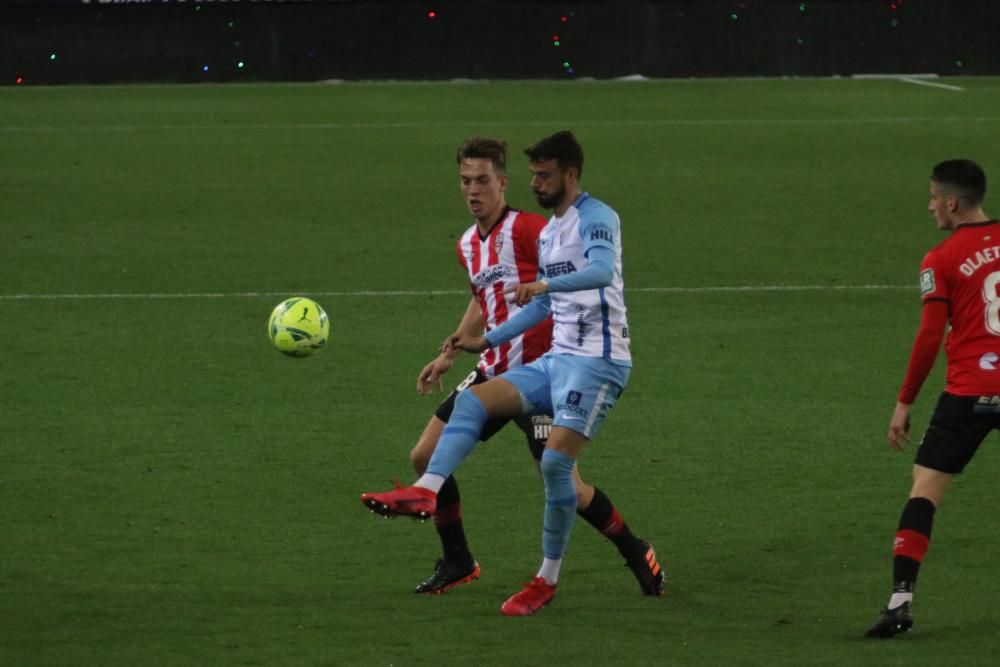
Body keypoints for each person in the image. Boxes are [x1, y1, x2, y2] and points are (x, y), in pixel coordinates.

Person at [362, 131, 662, 615]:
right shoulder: (483, 242)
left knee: (563, 478)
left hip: (582, 364)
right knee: (439, 439)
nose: (473, 190)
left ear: (503, 184)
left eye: (482, 180)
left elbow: (595, 274)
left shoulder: (543, 226)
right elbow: (500, 301)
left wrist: (542, 283)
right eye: (465, 181)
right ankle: (441, 523)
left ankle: (626, 552)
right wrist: (471, 345)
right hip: (522, 366)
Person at [865, 159, 997, 638]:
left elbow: (927, 335)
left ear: (952, 203)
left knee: (924, 492)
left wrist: (904, 401)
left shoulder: (939, 259)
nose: (929, 206)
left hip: (967, 392)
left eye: (933, 197)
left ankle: (900, 601)